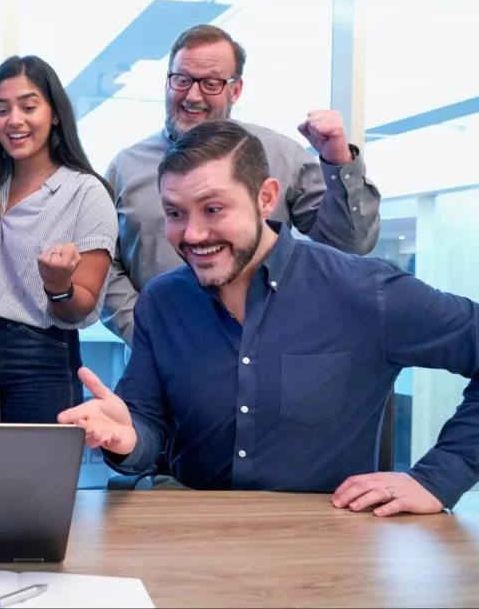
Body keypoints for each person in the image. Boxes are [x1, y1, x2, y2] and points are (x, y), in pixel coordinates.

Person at [59, 120, 479, 516]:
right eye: (175, 213)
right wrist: (129, 437)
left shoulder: (364, 291)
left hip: (329, 539)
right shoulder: (162, 301)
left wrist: (439, 477)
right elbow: (147, 426)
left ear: (265, 198)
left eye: (213, 209)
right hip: (193, 532)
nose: (191, 234)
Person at [101, 23, 382, 347]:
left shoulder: (282, 156)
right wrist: (143, 329)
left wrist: (339, 162)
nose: (193, 95)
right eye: (182, 79)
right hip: (158, 361)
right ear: (167, 81)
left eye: (211, 83)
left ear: (235, 90)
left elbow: (350, 244)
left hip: (267, 355)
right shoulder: (125, 167)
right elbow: (102, 264)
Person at [0, 55, 117, 424]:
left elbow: (80, 308)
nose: (14, 120)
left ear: (55, 114)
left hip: (40, 358)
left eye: (28, 107)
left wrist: (59, 286)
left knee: (35, 463)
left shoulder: (86, 192)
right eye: (2, 110)